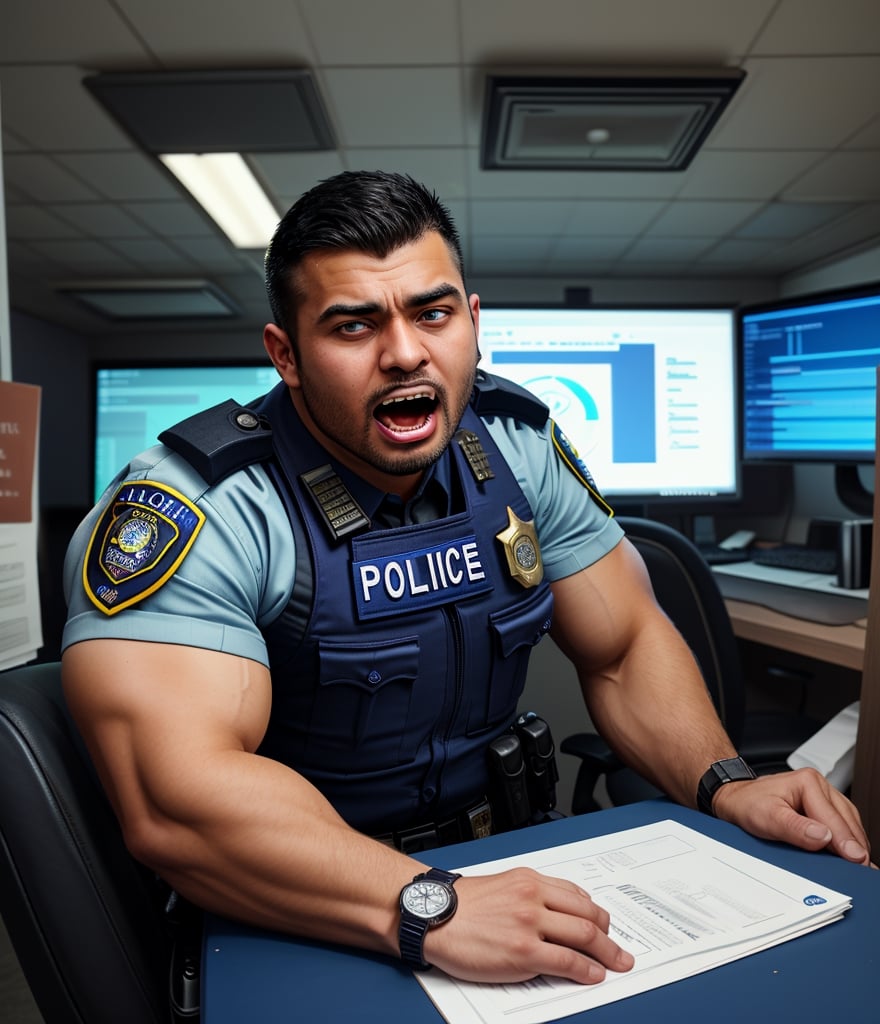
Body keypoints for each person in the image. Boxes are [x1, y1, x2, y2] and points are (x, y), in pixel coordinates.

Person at [61, 170, 871, 989]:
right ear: (287, 355)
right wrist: (430, 906)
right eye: (353, 325)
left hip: (507, 863)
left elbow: (623, 645)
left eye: (432, 313)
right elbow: (178, 801)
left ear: (473, 324)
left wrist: (726, 784)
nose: (405, 352)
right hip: (310, 904)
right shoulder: (203, 509)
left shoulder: (516, 448)